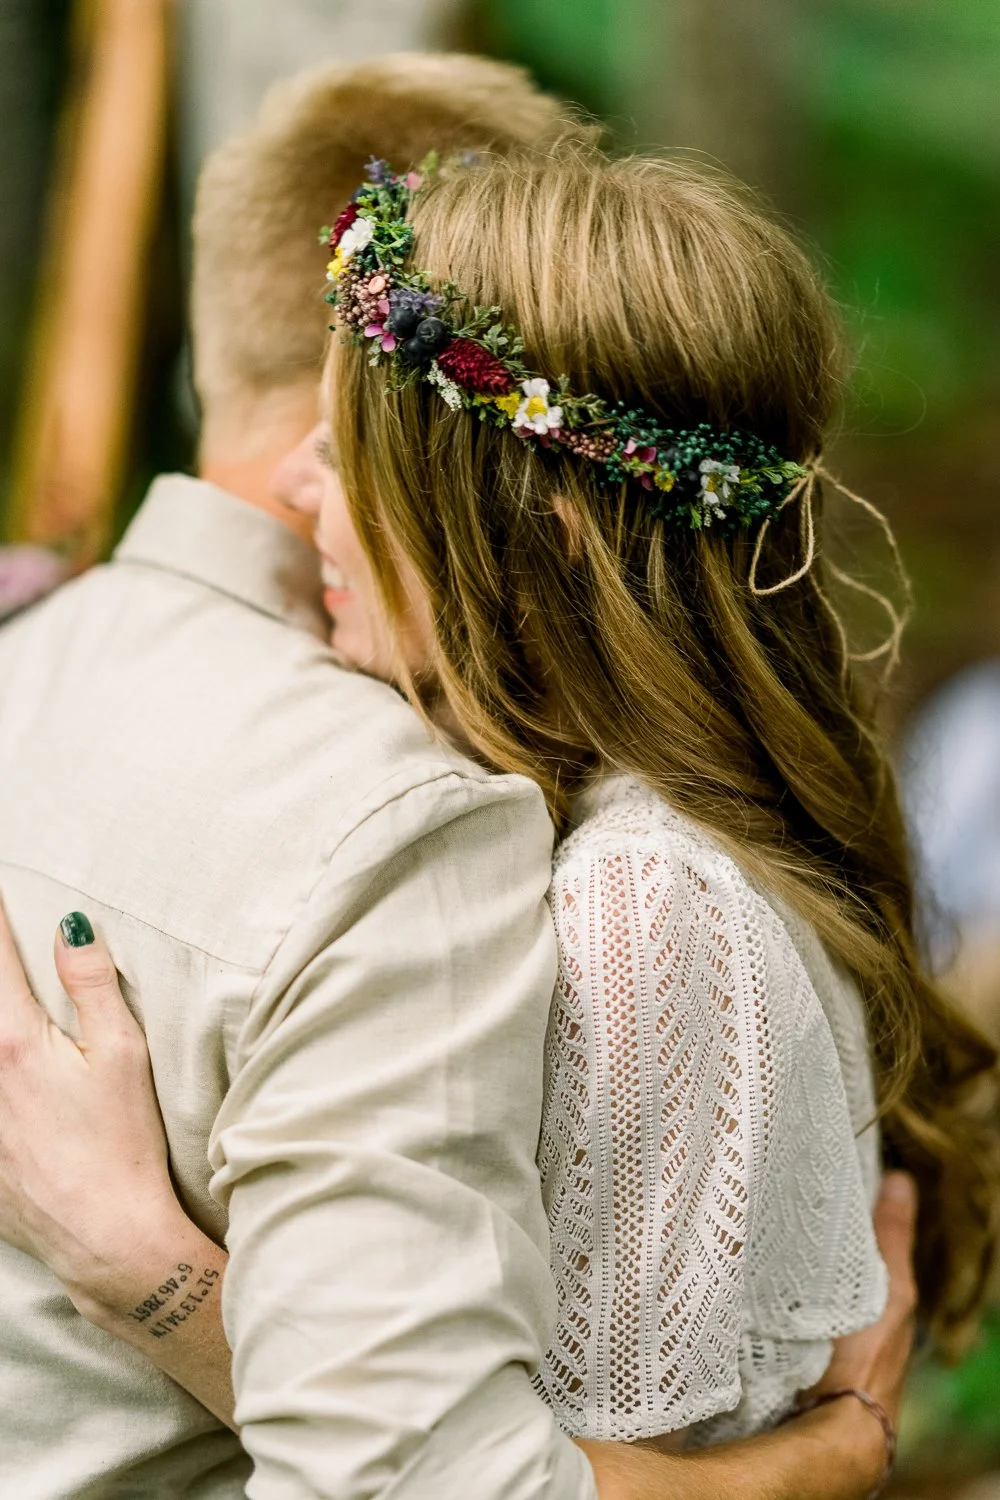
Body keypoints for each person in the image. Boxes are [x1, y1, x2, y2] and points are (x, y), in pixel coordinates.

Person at [0, 121, 987, 1496]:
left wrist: (143, 1263)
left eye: (350, 459)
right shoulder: (634, 831)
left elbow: (509, 1474)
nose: (296, 495)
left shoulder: (639, 907)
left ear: (539, 535)